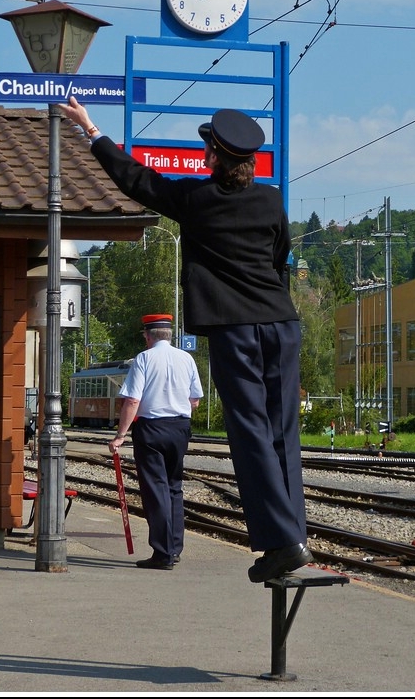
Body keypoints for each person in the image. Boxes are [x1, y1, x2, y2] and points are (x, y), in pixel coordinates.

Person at [60, 96, 313, 583]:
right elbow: (280, 257)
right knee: (283, 432)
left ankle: (282, 542)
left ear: (214, 156)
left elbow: (138, 180)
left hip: (235, 328)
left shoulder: (197, 201)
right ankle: (295, 536)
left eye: (207, 150)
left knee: (251, 434)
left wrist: (92, 130)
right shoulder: (271, 198)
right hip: (283, 325)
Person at [109, 313, 203, 570]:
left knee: (156, 491)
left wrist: (120, 436)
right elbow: (195, 400)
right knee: (174, 488)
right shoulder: (187, 358)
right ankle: (174, 548)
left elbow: (132, 400)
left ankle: (162, 554)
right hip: (180, 428)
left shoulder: (144, 359)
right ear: (169, 335)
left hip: (151, 430)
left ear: (148, 336)